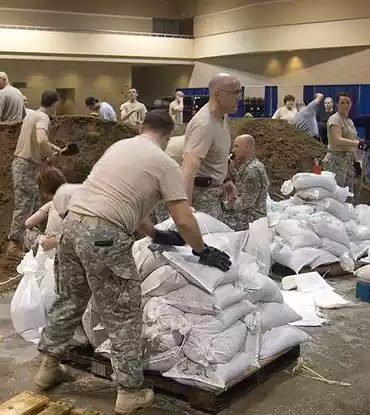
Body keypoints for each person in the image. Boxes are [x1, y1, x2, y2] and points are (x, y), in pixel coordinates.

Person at [34, 110, 231, 415]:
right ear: (167, 136)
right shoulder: (165, 163)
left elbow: (115, 199)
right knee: (123, 312)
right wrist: (201, 249)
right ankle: (129, 391)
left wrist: (153, 233)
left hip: (72, 226)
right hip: (104, 237)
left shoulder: (120, 148)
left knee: (70, 300)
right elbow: (184, 218)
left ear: (143, 128)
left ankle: (48, 367)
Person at [7, 90, 61, 261]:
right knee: (24, 206)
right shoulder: (44, 118)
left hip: (25, 165)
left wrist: (52, 148)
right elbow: (40, 139)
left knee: (34, 203)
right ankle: (14, 246)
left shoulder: (32, 114)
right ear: (54, 104)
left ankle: (31, 244)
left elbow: (39, 140)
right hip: (26, 166)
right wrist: (50, 156)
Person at [182, 73, 241, 220]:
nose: (239, 98)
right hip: (201, 196)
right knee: (208, 240)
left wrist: (226, 180)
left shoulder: (221, 117)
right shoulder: (204, 125)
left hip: (213, 191)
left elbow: (217, 156)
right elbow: (189, 169)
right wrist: (185, 209)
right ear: (217, 94)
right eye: (235, 93)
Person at [323, 92, 370, 190]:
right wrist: (359, 144)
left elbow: (351, 143)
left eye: (348, 102)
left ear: (351, 104)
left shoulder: (349, 122)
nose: (345, 105)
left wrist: (356, 163)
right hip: (336, 161)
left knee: (348, 194)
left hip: (348, 162)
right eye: (342, 102)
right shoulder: (335, 119)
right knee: (336, 193)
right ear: (337, 104)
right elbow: (337, 140)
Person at [222, 135, 269, 230]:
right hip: (247, 213)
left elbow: (247, 202)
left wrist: (229, 205)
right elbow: (240, 186)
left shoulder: (252, 170)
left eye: (236, 146)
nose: (233, 150)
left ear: (246, 148)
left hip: (250, 218)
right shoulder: (248, 166)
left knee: (216, 218)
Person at [24, 166, 67, 252]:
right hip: (67, 243)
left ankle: (29, 254)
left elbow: (28, 223)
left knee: (27, 232)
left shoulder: (51, 204)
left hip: (48, 245)